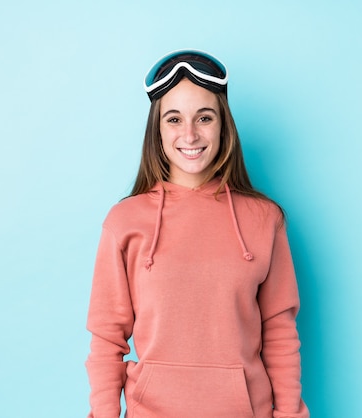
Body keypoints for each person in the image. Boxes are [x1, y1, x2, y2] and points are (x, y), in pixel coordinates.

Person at [85, 49, 310, 418]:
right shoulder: (125, 221)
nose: (190, 134)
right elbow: (107, 339)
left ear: (223, 125)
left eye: (204, 117)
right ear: (157, 130)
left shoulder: (264, 219)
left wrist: (289, 415)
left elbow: (280, 333)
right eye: (174, 119)